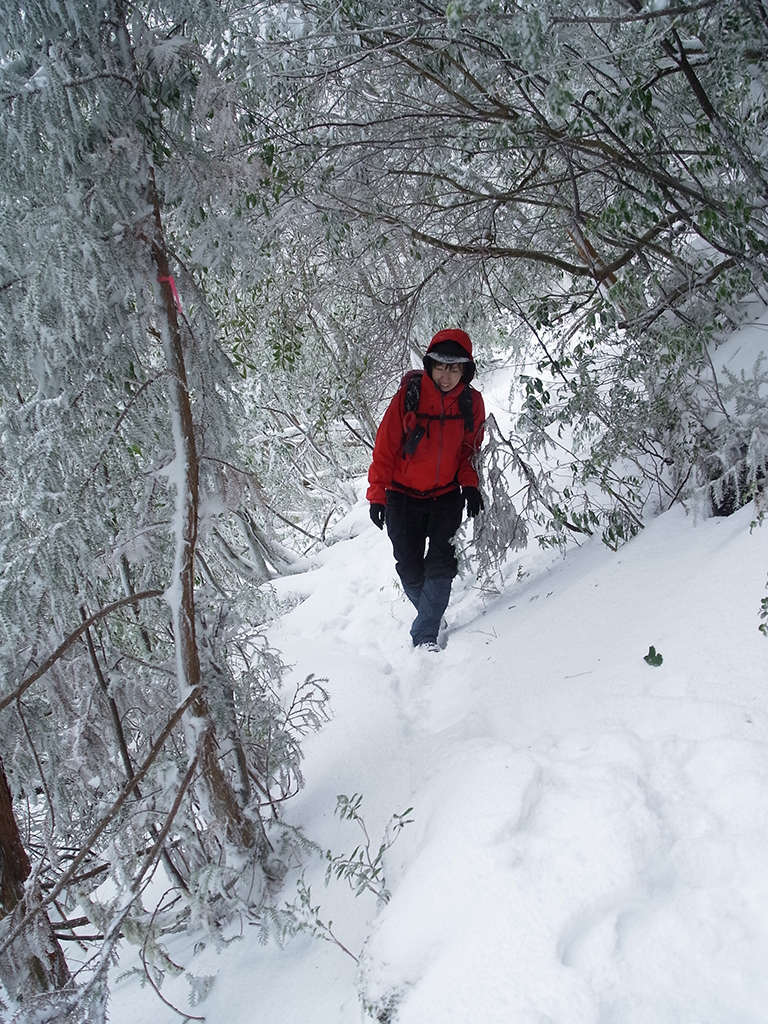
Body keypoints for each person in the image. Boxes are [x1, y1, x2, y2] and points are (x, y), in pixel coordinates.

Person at [367, 329, 486, 650]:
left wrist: (470, 485)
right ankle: (431, 613)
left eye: (455, 368)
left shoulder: (470, 402)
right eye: (441, 367)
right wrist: (377, 495)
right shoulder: (409, 396)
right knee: (408, 566)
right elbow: (385, 448)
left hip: (445, 496)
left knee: (441, 563)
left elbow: (468, 451)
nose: (446, 376)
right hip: (401, 497)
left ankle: (425, 635)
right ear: (430, 365)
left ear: (465, 370)